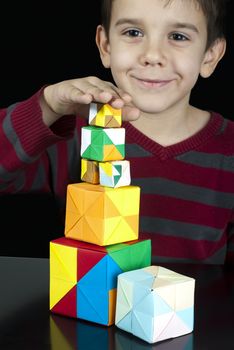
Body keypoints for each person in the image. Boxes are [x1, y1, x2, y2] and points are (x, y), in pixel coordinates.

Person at [0, 0, 233, 265]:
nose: (153, 55)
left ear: (210, 55)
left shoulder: (230, 151)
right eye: (133, 32)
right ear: (105, 45)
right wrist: (47, 106)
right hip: (89, 304)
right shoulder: (73, 134)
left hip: (198, 306)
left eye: (178, 36)